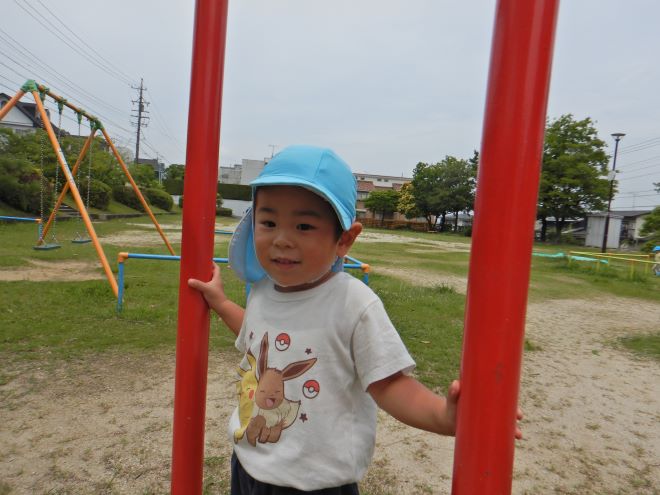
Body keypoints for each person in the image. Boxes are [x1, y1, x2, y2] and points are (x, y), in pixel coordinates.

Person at [189, 145, 521, 494]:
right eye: (269, 223)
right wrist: (221, 303)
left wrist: (444, 416)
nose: (282, 240)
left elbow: (389, 384)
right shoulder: (261, 290)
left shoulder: (353, 303)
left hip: (314, 484)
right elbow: (256, 334)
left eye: (304, 226)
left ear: (345, 239)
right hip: (248, 464)